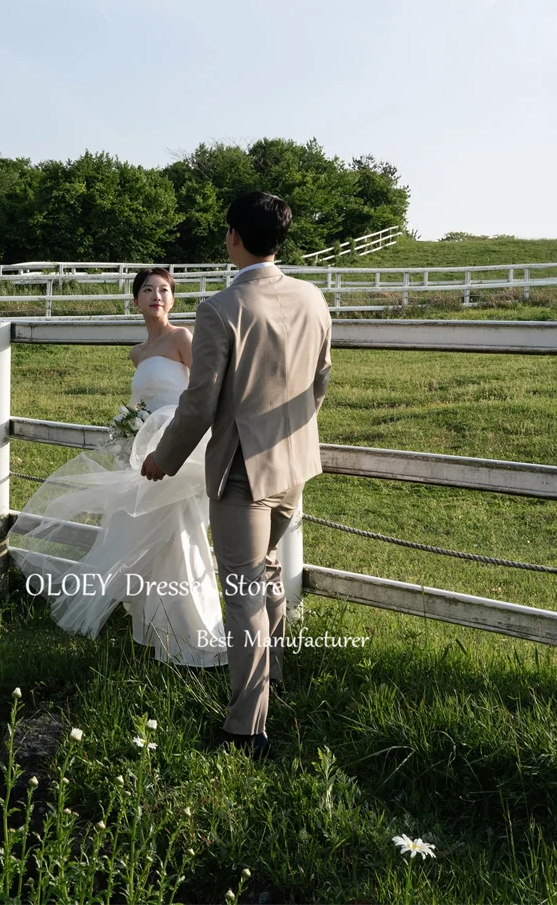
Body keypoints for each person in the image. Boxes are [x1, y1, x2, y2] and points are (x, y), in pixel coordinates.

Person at [142, 192, 332, 758]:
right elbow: (320, 380)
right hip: (293, 462)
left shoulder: (221, 307)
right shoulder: (313, 297)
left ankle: (246, 730)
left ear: (233, 237)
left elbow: (199, 404)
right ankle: (270, 680)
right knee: (266, 572)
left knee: (244, 593)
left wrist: (164, 458)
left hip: (243, 471)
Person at [8, 267, 228, 668]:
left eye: (164, 290)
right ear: (135, 300)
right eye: (147, 290)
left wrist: (174, 438)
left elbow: (201, 393)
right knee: (143, 530)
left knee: (180, 533)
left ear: (173, 300)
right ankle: (156, 630)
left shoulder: (183, 338)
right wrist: (133, 429)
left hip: (180, 447)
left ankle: (198, 636)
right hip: (145, 451)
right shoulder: (138, 353)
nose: (156, 296)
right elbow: (145, 402)